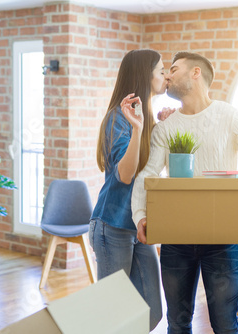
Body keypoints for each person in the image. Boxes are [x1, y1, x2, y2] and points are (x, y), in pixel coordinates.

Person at [131, 52, 238, 334]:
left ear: (195, 73)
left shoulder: (229, 117)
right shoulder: (166, 128)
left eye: (174, 69)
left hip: (223, 241)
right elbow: (148, 175)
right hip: (176, 240)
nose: (167, 75)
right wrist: (140, 215)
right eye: (165, 71)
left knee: (225, 325)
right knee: (177, 324)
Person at [89, 49, 167, 331]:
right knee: (113, 312)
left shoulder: (148, 120)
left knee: (152, 310)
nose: (165, 75)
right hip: (111, 226)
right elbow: (125, 174)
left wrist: (166, 128)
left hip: (138, 228)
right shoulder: (118, 118)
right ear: (144, 75)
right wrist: (138, 129)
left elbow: (156, 172)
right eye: (160, 70)